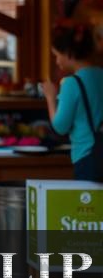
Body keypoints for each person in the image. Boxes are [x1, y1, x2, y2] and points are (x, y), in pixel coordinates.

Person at [44, 24, 103, 181]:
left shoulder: (72, 83)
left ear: (69, 53)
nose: (57, 61)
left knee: (89, 205)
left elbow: (60, 126)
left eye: (57, 55)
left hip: (88, 156)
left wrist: (50, 97)